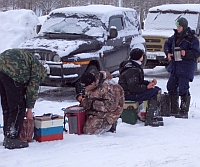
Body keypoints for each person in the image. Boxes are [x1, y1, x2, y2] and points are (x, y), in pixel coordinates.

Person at [0, 49, 47, 149]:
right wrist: (29, 109)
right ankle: (12, 138)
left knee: (7, 106)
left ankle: (7, 135)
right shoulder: (38, 70)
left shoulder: (31, 61)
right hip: (13, 70)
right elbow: (32, 90)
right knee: (18, 107)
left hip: (2, 66)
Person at [164, 17, 200, 119]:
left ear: (184, 27)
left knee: (183, 88)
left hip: (186, 67)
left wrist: (186, 53)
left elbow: (197, 52)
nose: (178, 28)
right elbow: (166, 44)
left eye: (179, 26)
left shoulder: (192, 39)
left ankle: (184, 110)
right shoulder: (174, 37)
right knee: (171, 86)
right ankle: (174, 109)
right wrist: (168, 53)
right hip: (175, 66)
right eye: (177, 26)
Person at [118, 48, 163, 127]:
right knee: (154, 92)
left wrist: (148, 83)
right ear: (139, 57)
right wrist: (147, 87)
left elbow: (137, 81)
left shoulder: (132, 66)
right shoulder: (132, 69)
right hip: (128, 94)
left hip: (127, 92)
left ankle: (152, 115)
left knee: (156, 89)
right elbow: (134, 88)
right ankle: (150, 118)